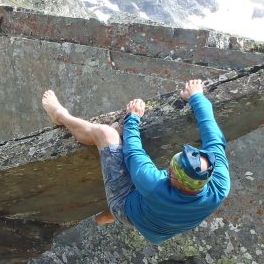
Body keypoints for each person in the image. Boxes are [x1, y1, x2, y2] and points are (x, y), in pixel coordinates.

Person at [41, 79, 230, 245]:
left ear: (175, 179)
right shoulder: (219, 184)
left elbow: (132, 152)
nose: (168, 168)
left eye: (171, 169)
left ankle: (60, 115)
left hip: (126, 206)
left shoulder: (154, 185)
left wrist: (133, 118)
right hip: (157, 227)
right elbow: (214, 136)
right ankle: (106, 217)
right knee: (144, 207)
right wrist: (197, 97)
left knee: (106, 134)